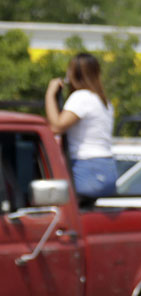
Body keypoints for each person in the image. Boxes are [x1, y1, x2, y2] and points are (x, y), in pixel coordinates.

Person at [45, 52, 117, 199]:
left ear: (74, 74)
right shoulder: (103, 101)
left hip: (87, 167)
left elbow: (56, 127)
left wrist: (50, 94)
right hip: (107, 168)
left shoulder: (81, 97)